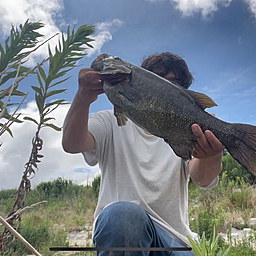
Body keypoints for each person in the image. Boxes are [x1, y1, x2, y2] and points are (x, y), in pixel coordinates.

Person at [62, 52, 224, 255]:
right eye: (157, 80)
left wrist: (212, 154)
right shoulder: (109, 121)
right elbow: (72, 144)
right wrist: (82, 98)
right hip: (122, 230)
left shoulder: (189, 130)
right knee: (122, 216)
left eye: (175, 84)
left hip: (175, 241)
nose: (164, 88)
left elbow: (202, 179)